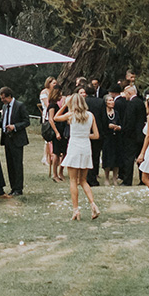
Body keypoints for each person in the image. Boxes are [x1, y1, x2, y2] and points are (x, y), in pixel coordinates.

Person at [62, 91, 101, 221]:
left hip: (74, 146)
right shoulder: (90, 115)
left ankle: (76, 210)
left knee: (73, 180)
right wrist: (84, 135)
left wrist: (64, 105)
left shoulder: (71, 115)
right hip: (86, 147)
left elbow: (56, 117)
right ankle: (93, 204)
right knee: (83, 180)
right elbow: (96, 135)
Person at [111, 82, 145, 185]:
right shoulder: (140, 102)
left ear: (129, 93)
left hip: (131, 136)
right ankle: (142, 178)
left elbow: (130, 120)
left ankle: (127, 180)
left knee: (129, 158)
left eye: (125, 93)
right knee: (140, 158)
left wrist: (124, 131)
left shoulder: (131, 104)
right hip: (140, 134)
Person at [0, 87, 30, 196]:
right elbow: (3, 122)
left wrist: (14, 127)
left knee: (17, 164)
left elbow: (26, 121)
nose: (2, 100)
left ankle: (18, 188)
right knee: (10, 164)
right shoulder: (4, 107)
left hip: (17, 139)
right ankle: (13, 187)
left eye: (3, 98)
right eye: (1, 98)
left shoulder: (19, 106)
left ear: (9, 96)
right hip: (7, 139)